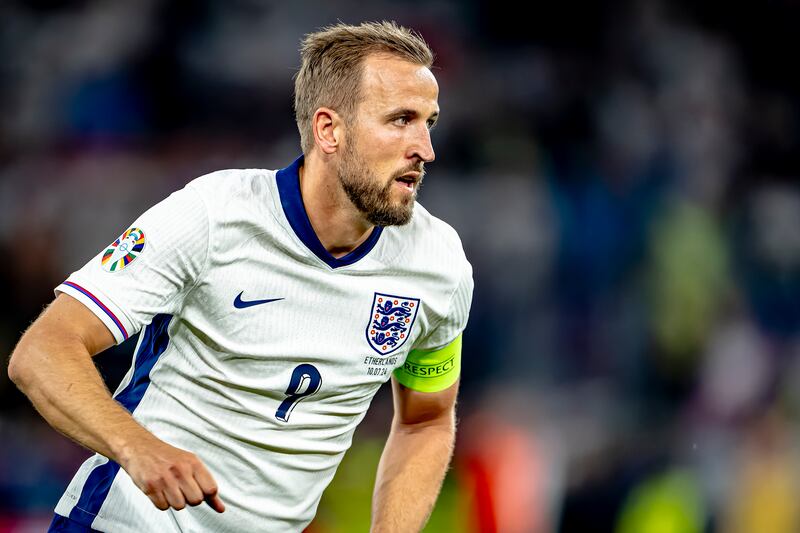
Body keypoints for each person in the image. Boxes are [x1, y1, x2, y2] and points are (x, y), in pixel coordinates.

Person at [8, 20, 473, 533]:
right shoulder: (214, 215)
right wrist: (138, 448)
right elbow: (42, 352)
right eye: (401, 120)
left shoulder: (439, 264)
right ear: (329, 130)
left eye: (428, 122)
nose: (425, 149)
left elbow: (426, 420)